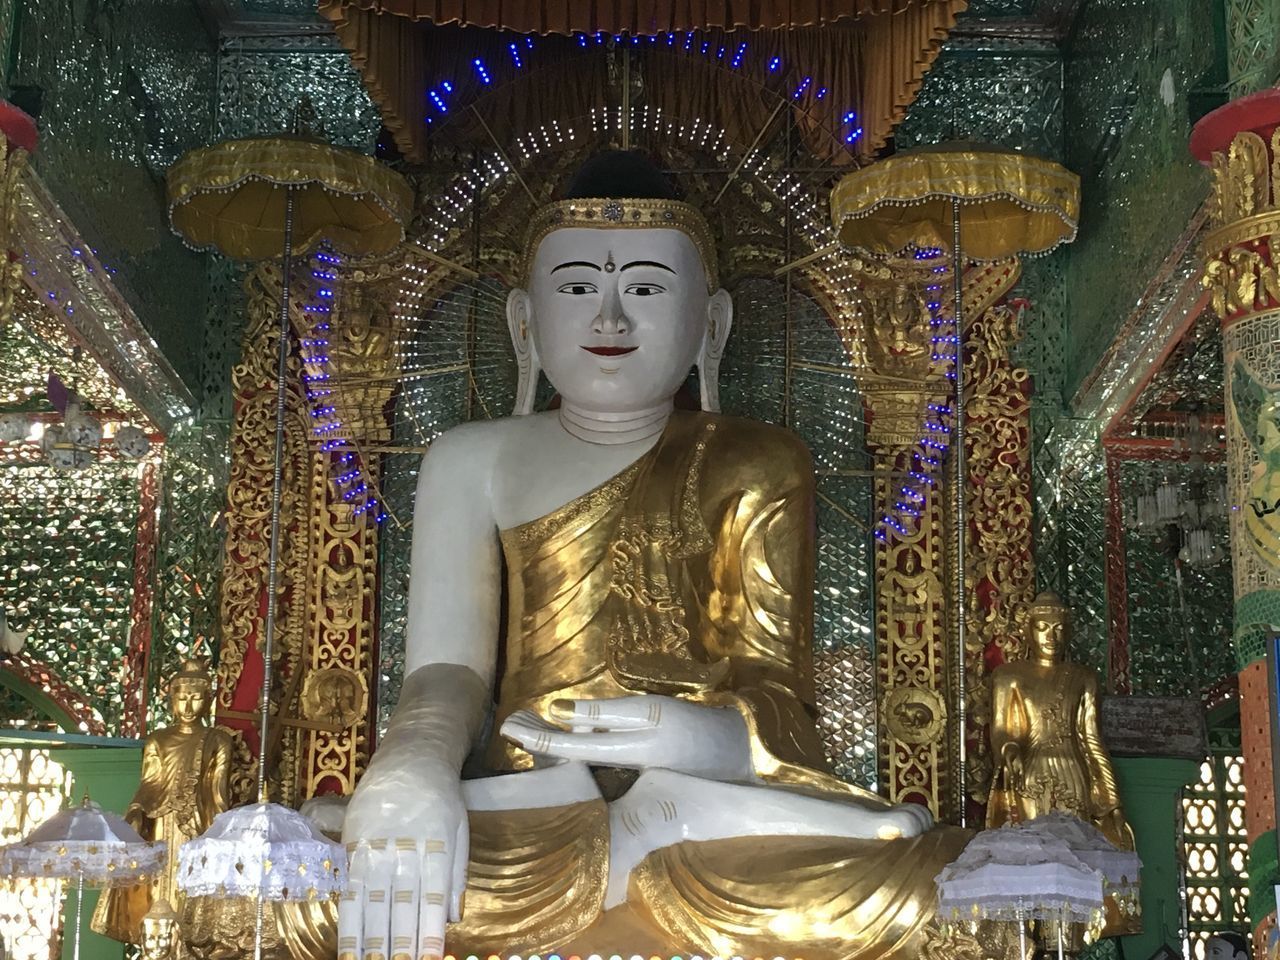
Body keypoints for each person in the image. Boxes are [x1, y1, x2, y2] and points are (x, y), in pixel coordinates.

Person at [334, 151, 961, 959]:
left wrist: (696, 739)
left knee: (924, 890)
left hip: (707, 817)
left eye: (646, 288)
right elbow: (447, 672)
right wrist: (411, 769)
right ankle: (628, 840)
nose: (609, 321)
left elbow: (777, 693)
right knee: (317, 875)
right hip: (525, 809)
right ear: (523, 323)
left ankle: (656, 821)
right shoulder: (470, 459)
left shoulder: (760, 460)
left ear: (713, 323)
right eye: (576, 289)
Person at [92, 659, 234, 943]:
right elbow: (149, 783)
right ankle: (154, 940)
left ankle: (189, 942)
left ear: (208, 700)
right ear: (172, 700)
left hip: (198, 825)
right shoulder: (158, 739)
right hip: (158, 820)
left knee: (190, 884)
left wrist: (223, 835)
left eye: (196, 699)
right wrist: (135, 811)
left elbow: (218, 792)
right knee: (155, 885)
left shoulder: (218, 740)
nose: (188, 706)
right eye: (181, 698)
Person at [987, 590, 1134, 849]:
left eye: (1058, 628)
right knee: (1032, 851)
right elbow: (1001, 729)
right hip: (1030, 773)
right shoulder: (1008, 676)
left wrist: (1113, 801)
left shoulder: (1083, 677)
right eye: (1042, 627)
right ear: (1028, 630)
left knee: (1076, 854)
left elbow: (1092, 741)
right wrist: (1009, 748)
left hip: (1073, 773)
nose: (1051, 636)